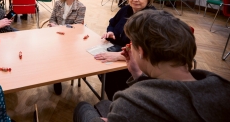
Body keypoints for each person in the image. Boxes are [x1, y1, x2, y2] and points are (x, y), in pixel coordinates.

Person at [74, 9, 230, 122]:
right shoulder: (221, 87)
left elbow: (144, 105)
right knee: (104, 103)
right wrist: (138, 75)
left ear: (140, 51)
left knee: (83, 107)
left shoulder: (130, 102)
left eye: (132, 45)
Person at [95, 0, 156, 100]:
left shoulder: (152, 18)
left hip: (138, 60)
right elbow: (112, 23)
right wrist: (111, 32)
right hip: (119, 49)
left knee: (108, 72)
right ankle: (116, 98)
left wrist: (119, 56)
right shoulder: (125, 9)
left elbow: (148, 50)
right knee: (99, 66)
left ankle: (122, 101)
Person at [48, 0, 86, 95]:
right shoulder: (58, 3)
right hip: (55, 34)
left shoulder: (81, 7)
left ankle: (59, 78)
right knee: (50, 53)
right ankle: (55, 77)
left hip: (71, 37)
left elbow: (78, 26)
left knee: (60, 55)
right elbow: (52, 19)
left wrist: (59, 27)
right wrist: (54, 25)